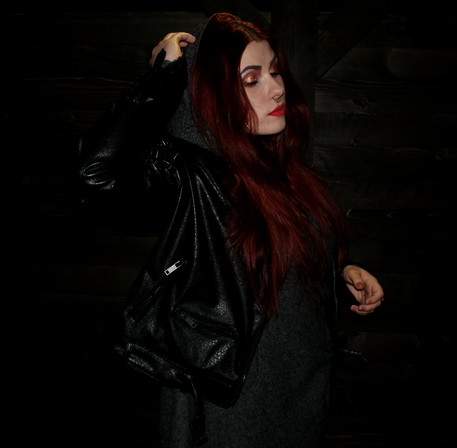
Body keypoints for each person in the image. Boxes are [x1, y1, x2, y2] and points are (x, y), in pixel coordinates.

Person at [80, 12, 384, 448]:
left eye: (274, 72)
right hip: (230, 405)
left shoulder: (280, 168)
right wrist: (162, 80)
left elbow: (268, 261)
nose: (276, 88)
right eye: (251, 80)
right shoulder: (193, 176)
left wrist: (341, 272)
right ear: (215, 94)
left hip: (301, 391)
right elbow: (96, 176)